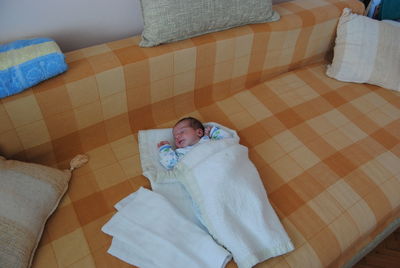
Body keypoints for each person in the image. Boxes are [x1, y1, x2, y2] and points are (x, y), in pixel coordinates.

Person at [157, 117, 230, 169]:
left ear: (199, 132)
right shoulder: (180, 153)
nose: (177, 137)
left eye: (182, 132)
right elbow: (169, 164)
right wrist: (165, 150)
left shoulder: (208, 140)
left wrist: (213, 132)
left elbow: (227, 140)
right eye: (175, 137)